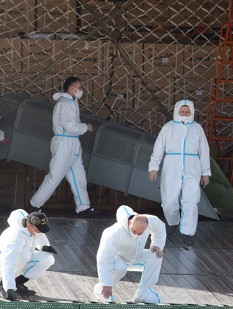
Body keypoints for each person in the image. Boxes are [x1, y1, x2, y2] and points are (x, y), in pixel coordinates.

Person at [28, 76, 100, 217]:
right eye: (79, 87)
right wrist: (86, 127)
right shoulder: (65, 104)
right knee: (55, 176)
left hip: (72, 143)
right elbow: (70, 126)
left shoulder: (72, 101)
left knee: (78, 176)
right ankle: (33, 205)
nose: (81, 90)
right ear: (72, 88)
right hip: (64, 143)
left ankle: (83, 206)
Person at [148, 99, 210, 246]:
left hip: (192, 167)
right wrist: (153, 167)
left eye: (187, 112)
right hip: (172, 166)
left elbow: (204, 151)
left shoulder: (197, 129)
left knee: (191, 201)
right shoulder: (168, 127)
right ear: (177, 111)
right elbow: (158, 148)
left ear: (192, 112)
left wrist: (205, 172)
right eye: (182, 112)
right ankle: (173, 222)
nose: (184, 114)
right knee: (169, 201)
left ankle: (188, 233)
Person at [94, 205, 166, 304]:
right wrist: (106, 283)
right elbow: (104, 257)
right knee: (120, 268)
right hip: (118, 259)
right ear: (129, 223)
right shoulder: (115, 232)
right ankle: (102, 290)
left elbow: (160, 228)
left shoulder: (150, 221)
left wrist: (157, 244)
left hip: (136, 257)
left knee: (156, 256)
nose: (136, 234)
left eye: (140, 233)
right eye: (134, 231)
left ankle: (143, 292)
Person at [0, 210, 56, 300]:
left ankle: (18, 282)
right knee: (24, 254)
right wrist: (8, 287)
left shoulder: (30, 227)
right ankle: (3, 285)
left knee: (48, 258)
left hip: (19, 259)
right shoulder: (15, 237)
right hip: (3, 263)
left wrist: (44, 246)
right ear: (29, 226)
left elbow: (40, 236)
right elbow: (8, 263)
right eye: (39, 230)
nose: (40, 232)